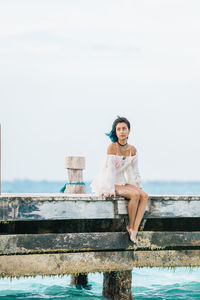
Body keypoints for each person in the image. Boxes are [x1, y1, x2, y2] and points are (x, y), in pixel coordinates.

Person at [91, 116, 149, 244]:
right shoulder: (112, 147)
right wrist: (109, 189)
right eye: (118, 129)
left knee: (144, 196)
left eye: (124, 128)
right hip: (110, 182)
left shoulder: (132, 150)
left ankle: (134, 229)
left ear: (129, 130)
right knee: (134, 195)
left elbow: (134, 171)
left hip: (123, 182)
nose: (121, 131)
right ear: (115, 132)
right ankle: (130, 227)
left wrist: (137, 185)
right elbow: (110, 171)